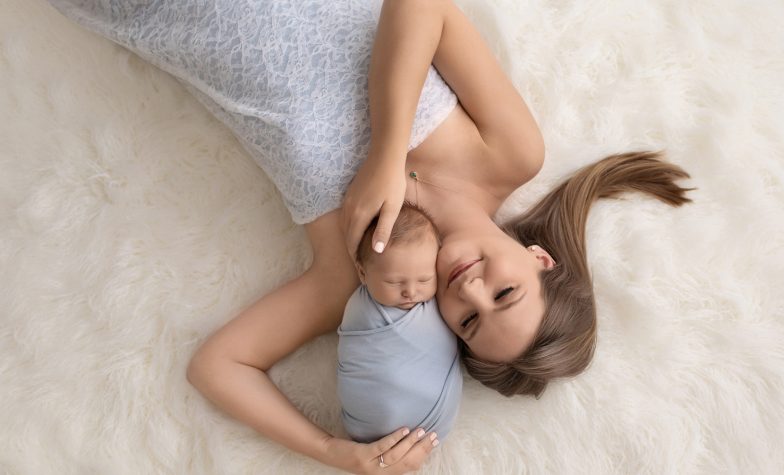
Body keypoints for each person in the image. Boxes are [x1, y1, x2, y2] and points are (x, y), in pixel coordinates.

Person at [46, 0, 693, 473]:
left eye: (467, 320)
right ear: (539, 257)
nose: (468, 288)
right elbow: (421, 6)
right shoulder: (508, 155)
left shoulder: (353, 271)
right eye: (506, 291)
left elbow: (217, 366)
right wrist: (386, 154)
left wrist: (332, 450)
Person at [338, 203, 461, 447]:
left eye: (425, 279)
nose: (411, 292)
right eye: (394, 282)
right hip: (367, 424)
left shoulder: (440, 301)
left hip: (434, 425)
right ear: (363, 274)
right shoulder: (360, 310)